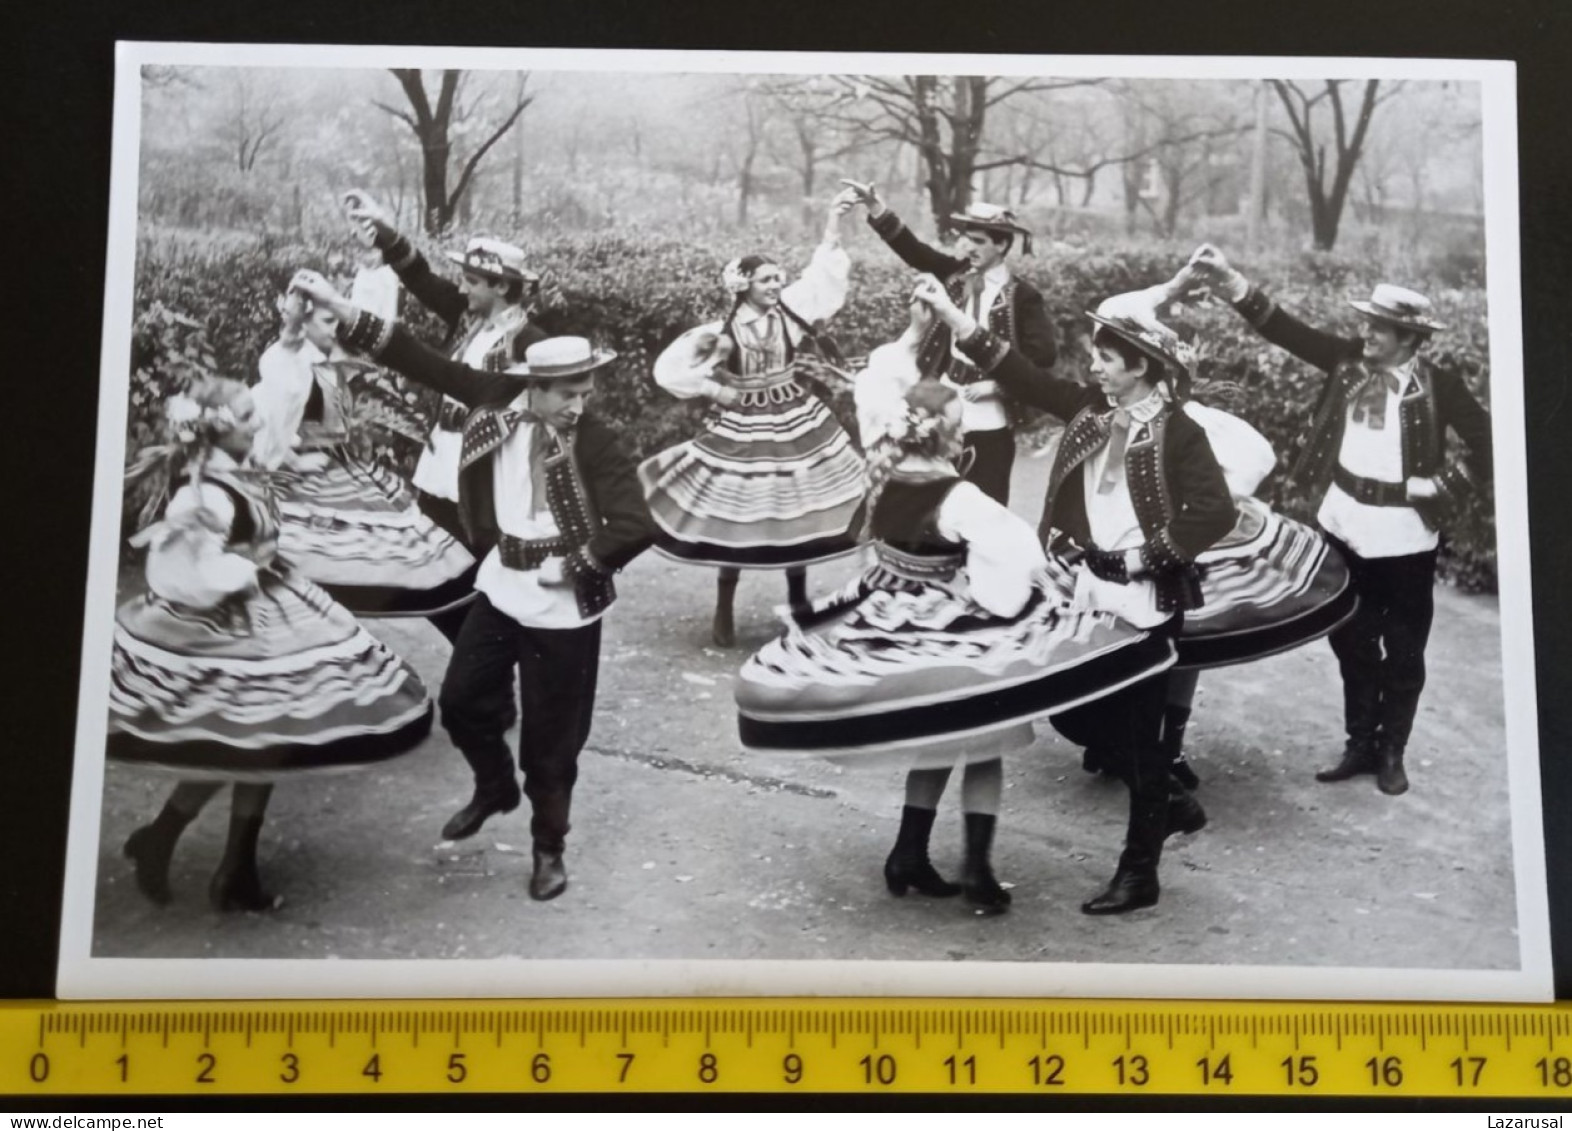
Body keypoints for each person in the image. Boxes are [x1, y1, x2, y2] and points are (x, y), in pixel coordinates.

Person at [736, 291, 1177, 915]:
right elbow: (1014, 560)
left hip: (898, 618)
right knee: (986, 741)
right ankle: (976, 869)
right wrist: (1024, 601)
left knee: (938, 741)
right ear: (954, 436)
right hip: (953, 625)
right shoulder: (960, 496)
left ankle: (909, 851)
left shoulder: (884, 476)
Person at [289, 269, 656, 902]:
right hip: (502, 585)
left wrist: (579, 563)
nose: (579, 405)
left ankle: (548, 847)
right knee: (460, 701)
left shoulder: (595, 440)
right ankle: (493, 785)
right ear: (533, 387)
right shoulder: (495, 396)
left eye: (585, 390)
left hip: (565, 607)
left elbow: (635, 522)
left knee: (551, 736)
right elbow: (415, 356)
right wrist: (334, 305)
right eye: (567, 393)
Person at [916, 274, 1237, 915]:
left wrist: (1147, 558)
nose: (1093, 366)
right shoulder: (1090, 409)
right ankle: (1166, 800)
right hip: (1088, 591)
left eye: (1106, 359)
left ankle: (1139, 872)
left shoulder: (1180, 432)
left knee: (1145, 740)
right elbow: (1020, 373)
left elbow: (1215, 511)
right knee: (1072, 713)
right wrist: (952, 314)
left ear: (1140, 365)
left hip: (1146, 602)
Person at [111, 376, 434, 911]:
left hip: (271, 607)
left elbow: (282, 422)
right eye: (246, 415)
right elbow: (179, 571)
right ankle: (203, 855)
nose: (257, 421)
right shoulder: (205, 495)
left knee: (266, 743)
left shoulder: (231, 472)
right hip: (227, 627)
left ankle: (207, 855)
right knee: (255, 743)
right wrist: (238, 571)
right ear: (218, 430)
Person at [1188, 245, 1492, 796]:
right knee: (1350, 639)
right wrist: (1232, 280)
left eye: (1380, 329)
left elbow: (1491, 442)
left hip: (1404, 536)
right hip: (1344, 522)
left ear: (1410, 339)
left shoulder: (1440, 386)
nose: (1367, 335)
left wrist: (1445, 486)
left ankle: (1392, 750)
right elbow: (1285, 330)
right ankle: (1359, 742)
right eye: (1368, 324)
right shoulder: (1348, 361)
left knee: (1403, 649)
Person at [1058, 282, 1358, 792]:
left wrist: (1186, 524)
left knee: (1183, 645)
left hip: (1188, 554)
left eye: (1104, 353)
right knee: (1119, 643)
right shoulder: (1111, 403)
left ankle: (1164, 751)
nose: (1094, 361)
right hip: (1130, 549)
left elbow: (1243, 472)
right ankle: (1120, 745)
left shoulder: (1189, 425)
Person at [638, 194, 865, 647]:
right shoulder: (720, 335)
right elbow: (671, 368)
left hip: (795, 418)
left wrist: (832, 221)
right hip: (745, 424)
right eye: (766, 280)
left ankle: (799, 600)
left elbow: (821, 276)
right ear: (743, 285)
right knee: (736, 511)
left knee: (796, 508)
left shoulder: (792, 314)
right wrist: (715, 388)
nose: (776, 285)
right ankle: (725, 603)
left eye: (778, 278)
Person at [343, 190, 549, 642]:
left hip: (484, 474)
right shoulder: (466, 316)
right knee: (430, 570)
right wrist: (384, 231)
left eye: (473, 280)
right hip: (439, 468)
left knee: (480, 578)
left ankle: (484, 671)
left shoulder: (529, 342)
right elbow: (419, 276)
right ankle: (475, 659)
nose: (462, 287)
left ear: (501, 287)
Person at [248, 287, 478, 619]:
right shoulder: (289, 362)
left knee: (393, 549)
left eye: (336, 321)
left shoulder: (334, 359)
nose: (334, 329)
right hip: (301, 473)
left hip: (340, 463)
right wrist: (292, 457)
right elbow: (271, 421)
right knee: (305, 560)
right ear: (305, 322)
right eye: (327, 321)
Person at [841, 180, 1058, 506]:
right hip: (942, 402)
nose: (968, 248)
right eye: (965, 239)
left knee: (985, 502)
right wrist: (875, 206)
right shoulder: (955, 274)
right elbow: (913, 250)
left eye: (978, 241)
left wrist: (999, 387)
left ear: (1001, 246)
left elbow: (1044, 356)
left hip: (989, 412)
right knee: (932, 497)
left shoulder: (1023, 296)